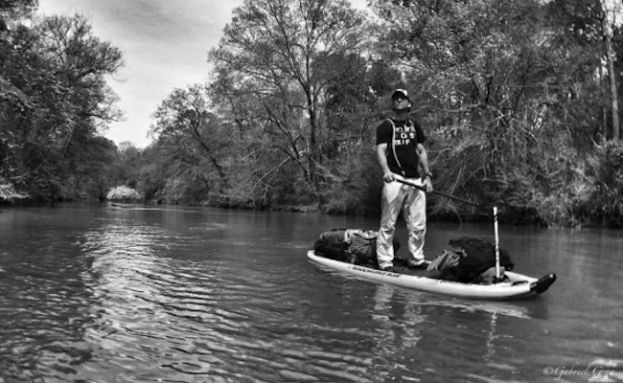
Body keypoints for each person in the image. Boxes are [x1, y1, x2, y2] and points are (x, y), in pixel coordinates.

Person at [375, 88, 433, 272]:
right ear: (393, 104)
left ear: (409, 103)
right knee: (388, 223)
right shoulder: (386, 126)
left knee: (418, 224)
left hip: (415, 180)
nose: (398, 101)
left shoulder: (415, 126)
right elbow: (381, 150)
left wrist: (427, 176)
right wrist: (386, 171)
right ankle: (385, 261)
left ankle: (416, 259)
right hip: (395, 179)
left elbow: (421, 151)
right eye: (396, 99)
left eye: (402, 98)